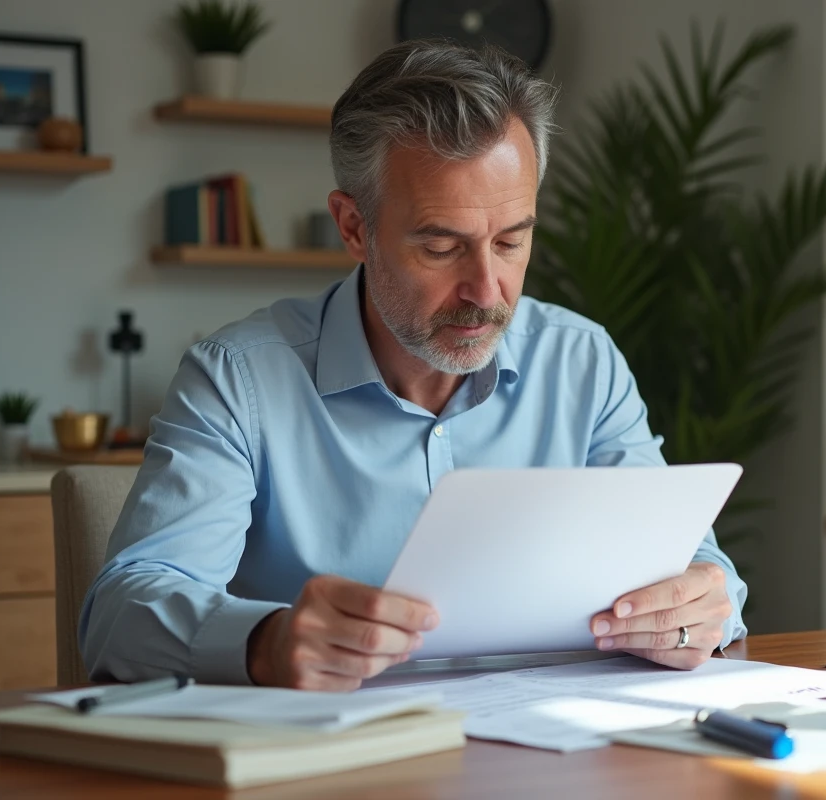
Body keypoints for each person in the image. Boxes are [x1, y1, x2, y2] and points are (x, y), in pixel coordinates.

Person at [80, 39, 747, 691]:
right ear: (352, 227)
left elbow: (700, 570)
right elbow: (118, 617)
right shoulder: (237, 380)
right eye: (440, 246)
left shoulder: (582, 363)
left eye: (512, 241)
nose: (487, 291)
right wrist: (266, 642)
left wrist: (697, 610)